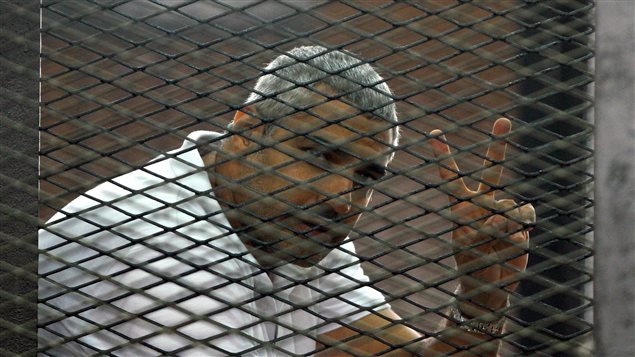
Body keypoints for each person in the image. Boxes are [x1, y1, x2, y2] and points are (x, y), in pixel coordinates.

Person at [39, 46, 535, 356]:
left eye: (365, 176)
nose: (343, 199)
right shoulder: (148, 239)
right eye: (319, 155)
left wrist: (481, 299)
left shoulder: (293, 224)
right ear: (246, 132)